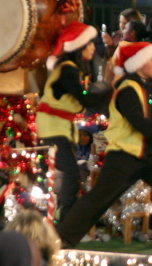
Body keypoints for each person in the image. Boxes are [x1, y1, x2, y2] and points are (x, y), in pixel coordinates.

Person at [57, 42, 152, 247]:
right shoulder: (127, 89)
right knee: (99, 198)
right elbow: (138, 120)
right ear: (139, 64)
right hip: (125, 157)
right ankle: (63, 238)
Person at [36, 22, 111, 222]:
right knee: (70, 175)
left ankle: (61, 218)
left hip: (60, 127)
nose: (93, 48)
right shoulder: (68, 70)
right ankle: (63, 220)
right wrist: (108, 86)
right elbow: (85, 99)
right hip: (53, 127)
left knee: (66, 175)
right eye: (89, 44)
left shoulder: (69, 69)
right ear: (78, 47)